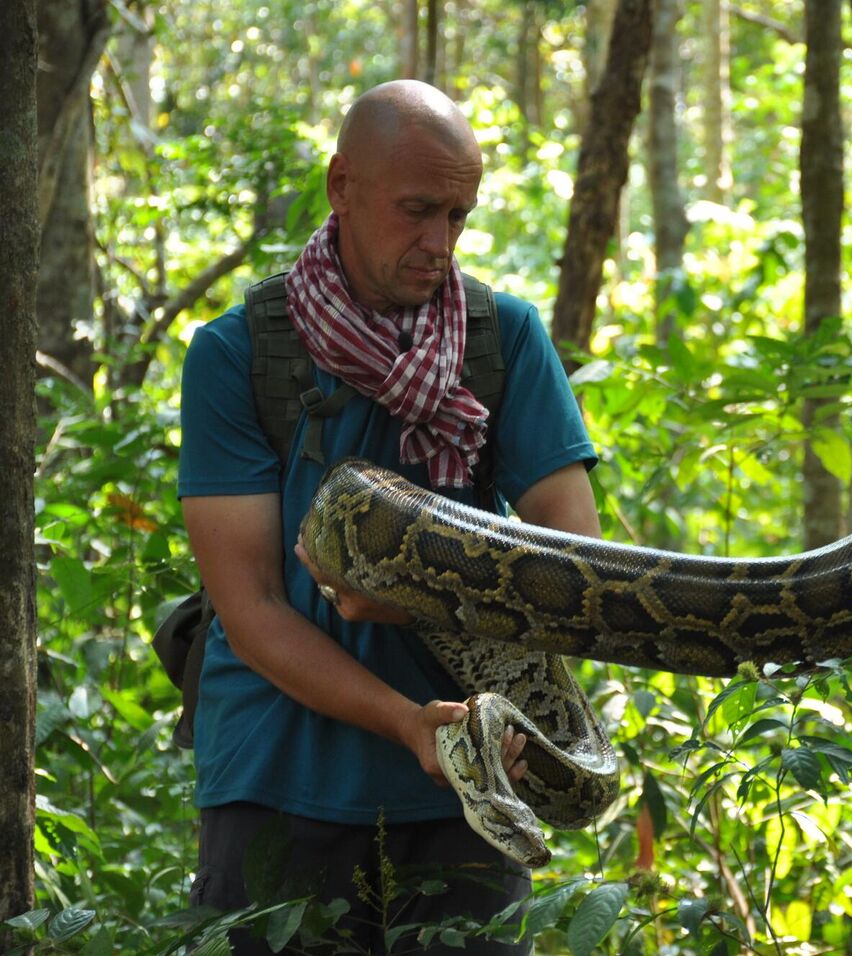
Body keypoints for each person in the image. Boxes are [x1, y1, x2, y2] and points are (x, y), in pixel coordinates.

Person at [179, 80, 600, 954]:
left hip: (467, 794)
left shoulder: (503, 340)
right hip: (273, 786)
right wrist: (408, 723)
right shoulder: (238, 353)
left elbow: (576, 565)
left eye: (458, 215)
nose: (438, 243)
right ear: (342, 186)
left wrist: (418, 602)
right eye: (416, 211)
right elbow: (249, 607)